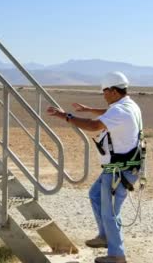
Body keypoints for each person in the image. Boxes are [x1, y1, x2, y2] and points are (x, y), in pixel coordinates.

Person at [47, 71, 145, 263]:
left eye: (105, 91)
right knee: (95, 194)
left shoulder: (120, 110)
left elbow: (93, 126)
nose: (104, 95)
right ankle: (105, 236)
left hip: (120, 170)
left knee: (111, 213)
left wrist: (64, 116)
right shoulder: (129, 105)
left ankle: (117, 255)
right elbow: (111, 113)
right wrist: (89, 108)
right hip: (121, 167)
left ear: (113, 91)